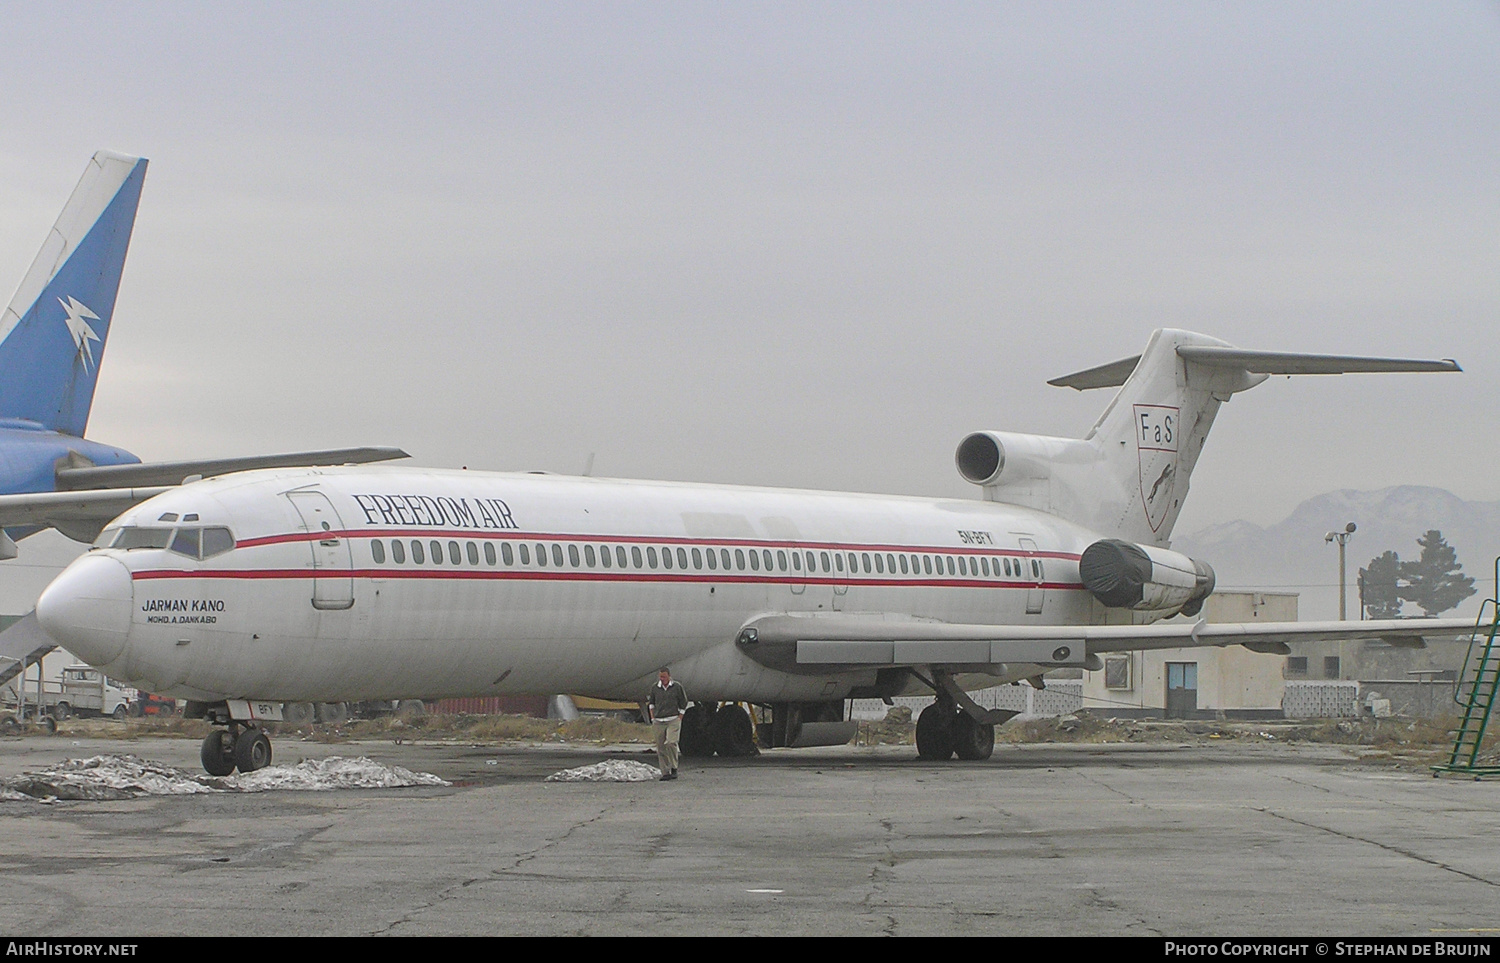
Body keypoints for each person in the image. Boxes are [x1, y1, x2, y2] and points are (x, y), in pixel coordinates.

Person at [647, 666, 688, 780]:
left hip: (673, 719)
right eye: (660, 677)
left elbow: (683, 702)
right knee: (660, 747)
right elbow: (651, 703)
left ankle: (674, 768)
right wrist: (653, 718)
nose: (662, 679)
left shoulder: (677, 687)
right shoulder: (655, 688)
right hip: (659, 721)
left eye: (664, 677)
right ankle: (665, 772)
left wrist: (680, 717)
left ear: (669, 676)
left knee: (671, 742)